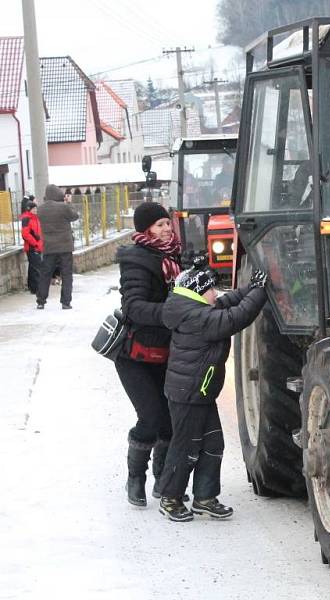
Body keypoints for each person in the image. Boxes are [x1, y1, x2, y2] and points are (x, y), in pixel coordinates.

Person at [157, 265, 269, 521]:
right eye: (210, 290)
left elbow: (228, 301)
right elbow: (236, 317)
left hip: (201, 392)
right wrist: (260, 292)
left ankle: (204, 497)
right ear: (197, 293)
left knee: (213, 444)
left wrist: (250, 288)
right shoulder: (199, 318)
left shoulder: (194, 307)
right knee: (185, 447)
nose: (216, 293)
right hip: (187, 394)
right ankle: (170, 497)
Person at [115, 202, 182, 507]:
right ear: (145, 230)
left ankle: (163, 479)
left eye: (167, 223)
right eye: (159, 225)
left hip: (167, 351)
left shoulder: (175, 258)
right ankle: (136, 478)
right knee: (151, 417)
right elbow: (134, 307)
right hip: (136, 355)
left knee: (169, 419)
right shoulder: (137, 261)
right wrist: (173, 312)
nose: (166, 229)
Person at [36, 185, 78, 309]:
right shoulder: (63, 207)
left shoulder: (41, 209)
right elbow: (74, 216)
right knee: (66, 274)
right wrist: (69, 203)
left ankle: (41, 301)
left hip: (49, 247)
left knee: (45, 274)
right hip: (65, 247)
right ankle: (66, 302)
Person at [20, 195, 43, 294]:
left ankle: (33, 287)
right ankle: (36, 288)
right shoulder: (27, 219)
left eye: (36, 209)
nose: (35, 210)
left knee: (34, 268)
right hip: (31, 247)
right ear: (29, 209)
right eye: (34, 209)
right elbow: (25, 234)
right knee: (36, 268)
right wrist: (35, 244)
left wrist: (40, 243)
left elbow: (38, 233)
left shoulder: (36, 218)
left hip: (37, 246)